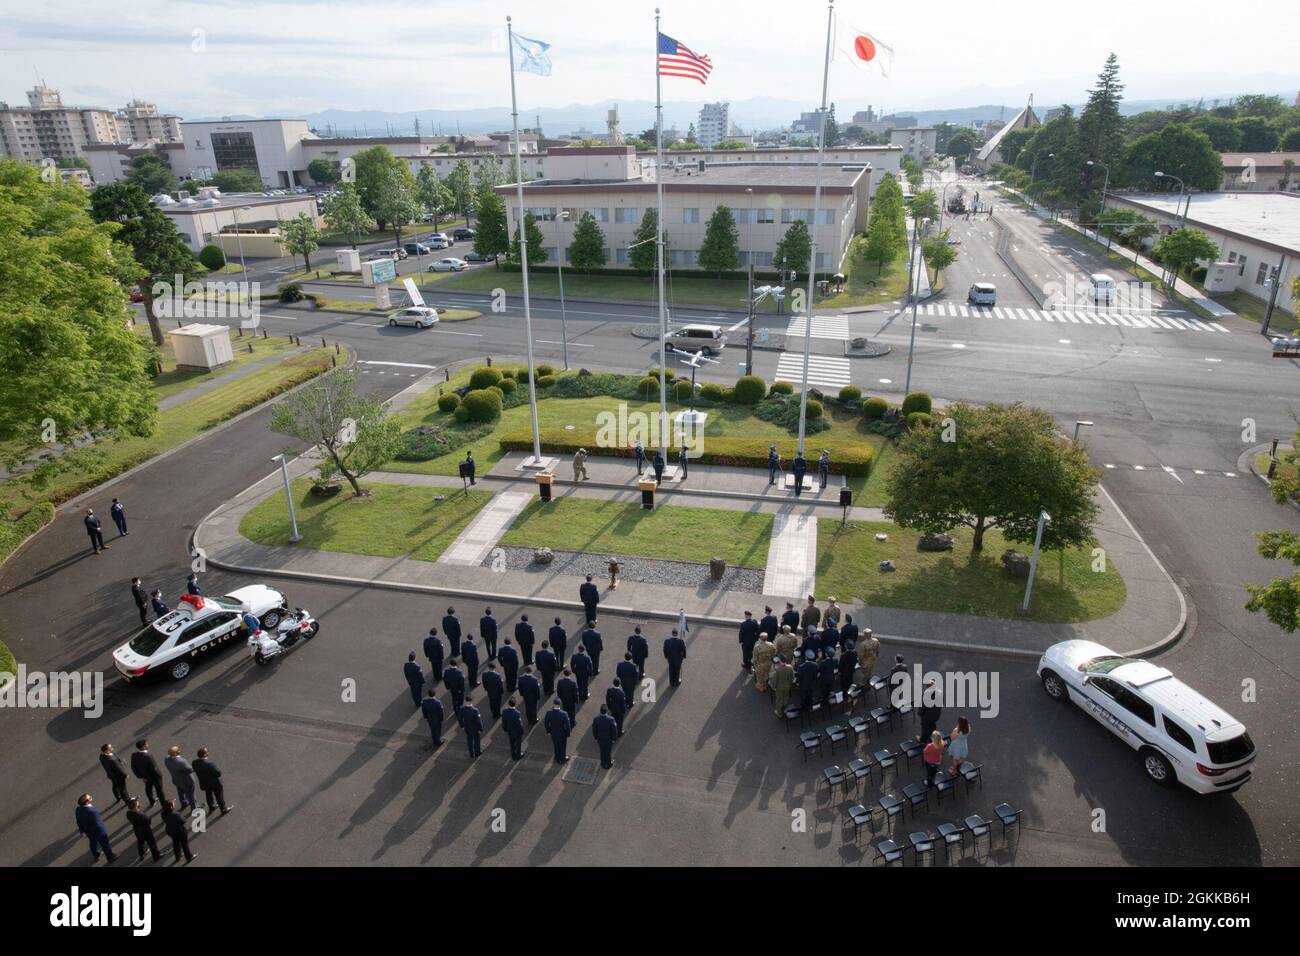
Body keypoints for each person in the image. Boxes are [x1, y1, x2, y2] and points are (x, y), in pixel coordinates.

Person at [75, 794, 115, 863]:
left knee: (93, 843)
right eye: (90, 797)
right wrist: (104, 832)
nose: (91, 797)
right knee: (105, 845)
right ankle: (110, 857)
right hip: (98, 831)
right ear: (87, 802)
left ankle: (96, 854)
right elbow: (98, 823)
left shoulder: (78, 809)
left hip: (88, 831)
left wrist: (82, 832)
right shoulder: (92, 811)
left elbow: (78, 821)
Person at [192, 747, 232, 814]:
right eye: (207, 752)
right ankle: (223, 809)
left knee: (208, 795)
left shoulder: (194, 762)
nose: (208, 752)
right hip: (215, 783)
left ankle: (211, 807)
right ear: (204, 755)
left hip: (204, 782)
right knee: (219, 796)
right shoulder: (209, 764)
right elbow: (218, 773)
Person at [130, 739, 166, 807]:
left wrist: (141, 777)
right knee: (159, 790)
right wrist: (159, 775)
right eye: (146, 744)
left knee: (148, 788)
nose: (147, 745)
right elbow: (154, 768)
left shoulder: (134, 755)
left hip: (145, 777)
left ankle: (151, 801)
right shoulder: (148, 756)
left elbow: (133, 767)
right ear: (143, 746)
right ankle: (163, 804)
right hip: (155, 776)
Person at [125, 798, 161, 862]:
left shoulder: (128, 813)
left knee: (140, 842)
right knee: (152, 843)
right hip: (146, 831)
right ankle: (156, 856)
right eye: (138, 805)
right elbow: (148, 821)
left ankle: (141, 854)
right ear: (135, 807)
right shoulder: (141, 815)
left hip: (137, 830)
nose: (139, 806)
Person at [165, 746, 197, 812]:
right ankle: (194, 807)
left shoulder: (167, 759)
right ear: (177, 752)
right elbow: (190, 770)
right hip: (186, 781)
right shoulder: (181, 761)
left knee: (180, 792)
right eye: (178, 750)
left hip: (176, 780)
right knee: (191, 794)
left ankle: (184, 803)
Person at [917, 679, 943, 746]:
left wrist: (920, 713)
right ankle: (934, 738)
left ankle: (923, 740)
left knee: (925, 727)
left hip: (927, 715)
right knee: (933, 725)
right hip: (936, 714)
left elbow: (923, 706)